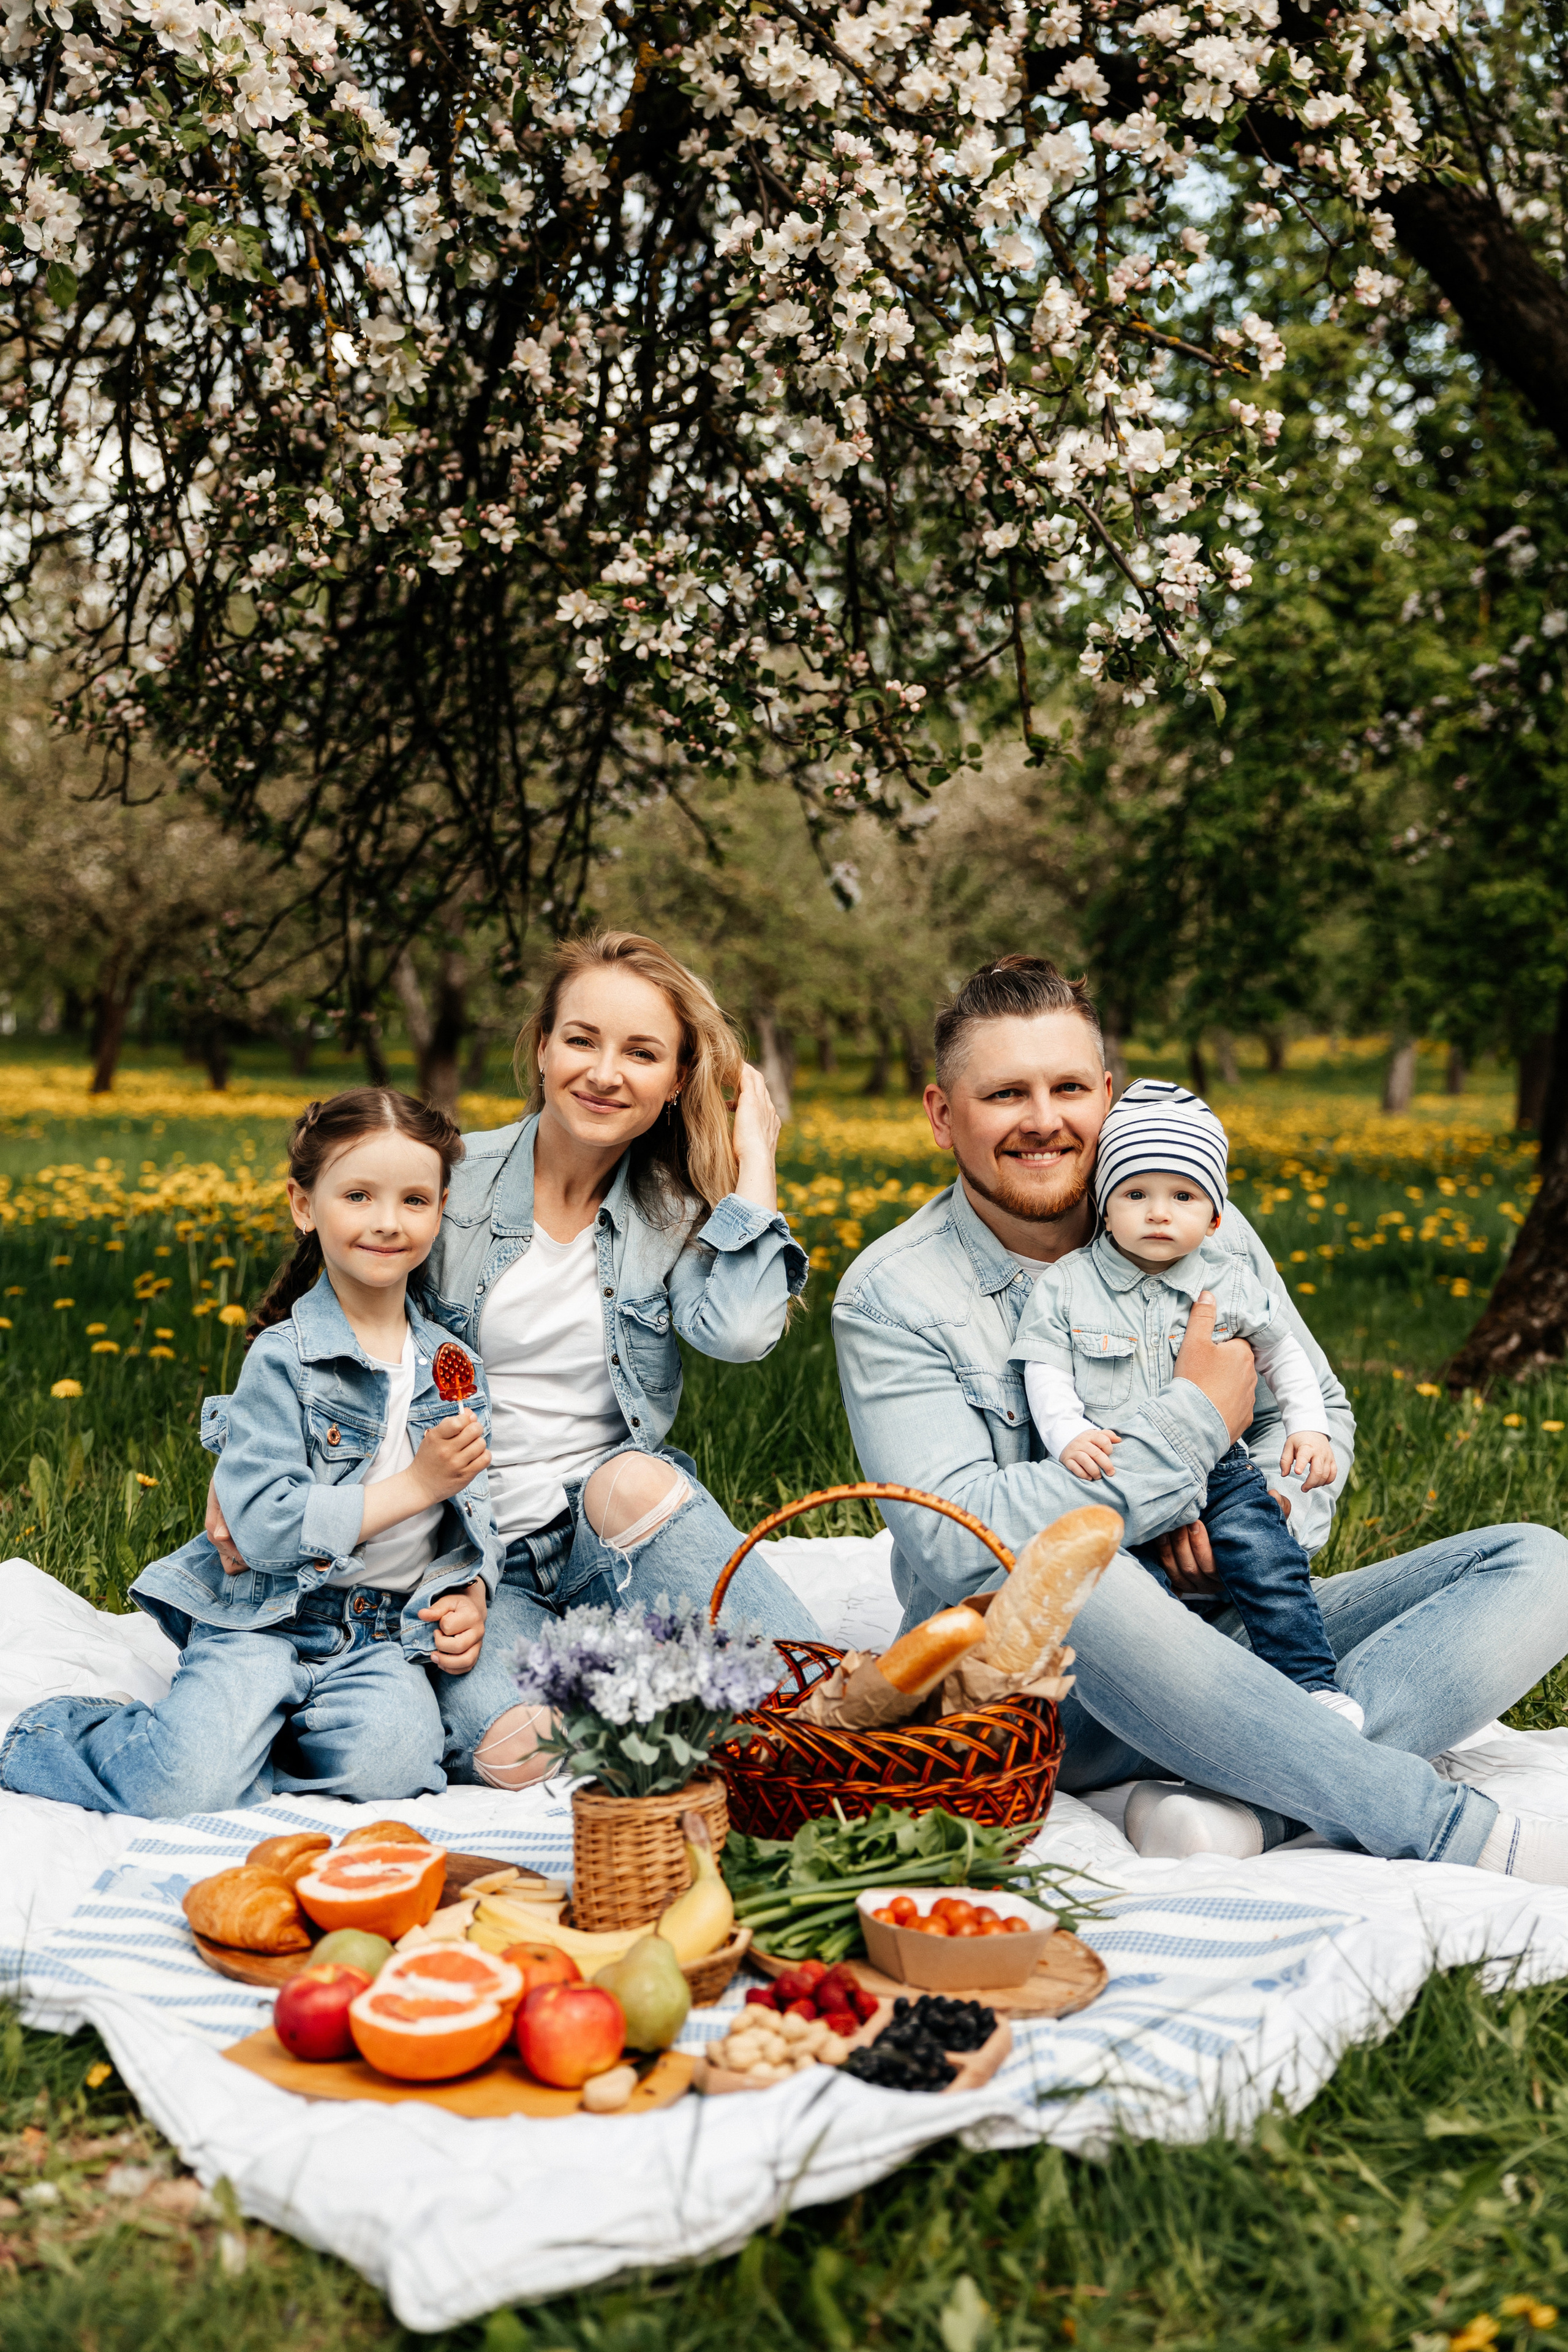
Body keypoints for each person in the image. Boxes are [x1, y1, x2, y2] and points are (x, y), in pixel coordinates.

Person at [832, 953, 1568, 1882]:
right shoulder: (892, 1296)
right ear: (945, 1115)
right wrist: (1189, 1427)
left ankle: (1248, 1803)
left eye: (1068, 1087)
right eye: (1005, 1094)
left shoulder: (1194, 1218)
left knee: (1538, 1564)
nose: (1044, 1120)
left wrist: (1255, 1515)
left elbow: (1321, 1415)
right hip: (1040, 1687)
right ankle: (1436, 1824)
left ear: (1107, 1094)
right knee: (1075, 1563)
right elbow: (962, 1541)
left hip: (1234, 1629)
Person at [207, 930, 821, 1792]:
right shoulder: (451, 1182)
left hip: (611, 1531)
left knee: (800, 1681)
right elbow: (328, 1307)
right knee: (515, 1752)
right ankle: (641, 1681)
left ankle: (718, 1683)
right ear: (542, 1047)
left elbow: (742, 1333)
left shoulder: (672, 1210)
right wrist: (237, 1454)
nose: (605, 1073)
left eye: (642, 1053)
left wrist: (755, 1155)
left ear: (676, 1081)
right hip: (473, 1552)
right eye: (582, 1039)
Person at [0, 1089, 502, 1815]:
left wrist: (472, 1587)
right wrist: (418, 1484)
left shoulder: (454, 1363)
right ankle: (50, 1737)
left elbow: (477, 1504)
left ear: (441, 1208)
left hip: (380, 1632)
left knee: (392, 1770)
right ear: (305, 1206)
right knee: (187, 1786)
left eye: (414, 1200)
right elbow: (262, 1528)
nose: (388, 1222)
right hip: (263, 1616)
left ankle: (255, 1737)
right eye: (358, 1195)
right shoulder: (284, 1360)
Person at [1013, 1076, 1360, 1730]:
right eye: (1134, 1194)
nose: (1158, 1213)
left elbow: (1283, 1357)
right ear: (1102, 1204)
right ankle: (1178, 1705)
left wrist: (1308, 1430)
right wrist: (1066, 1436)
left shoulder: (1229, 1277)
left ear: (1216, 1215)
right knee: (1129, 1593)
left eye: (1182, 1196)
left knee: (1266, 1559)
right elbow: (1044, 1367)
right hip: (1120, 1471)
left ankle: (1309, 1683)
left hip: (1223, 1473)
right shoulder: (1069, 1285)